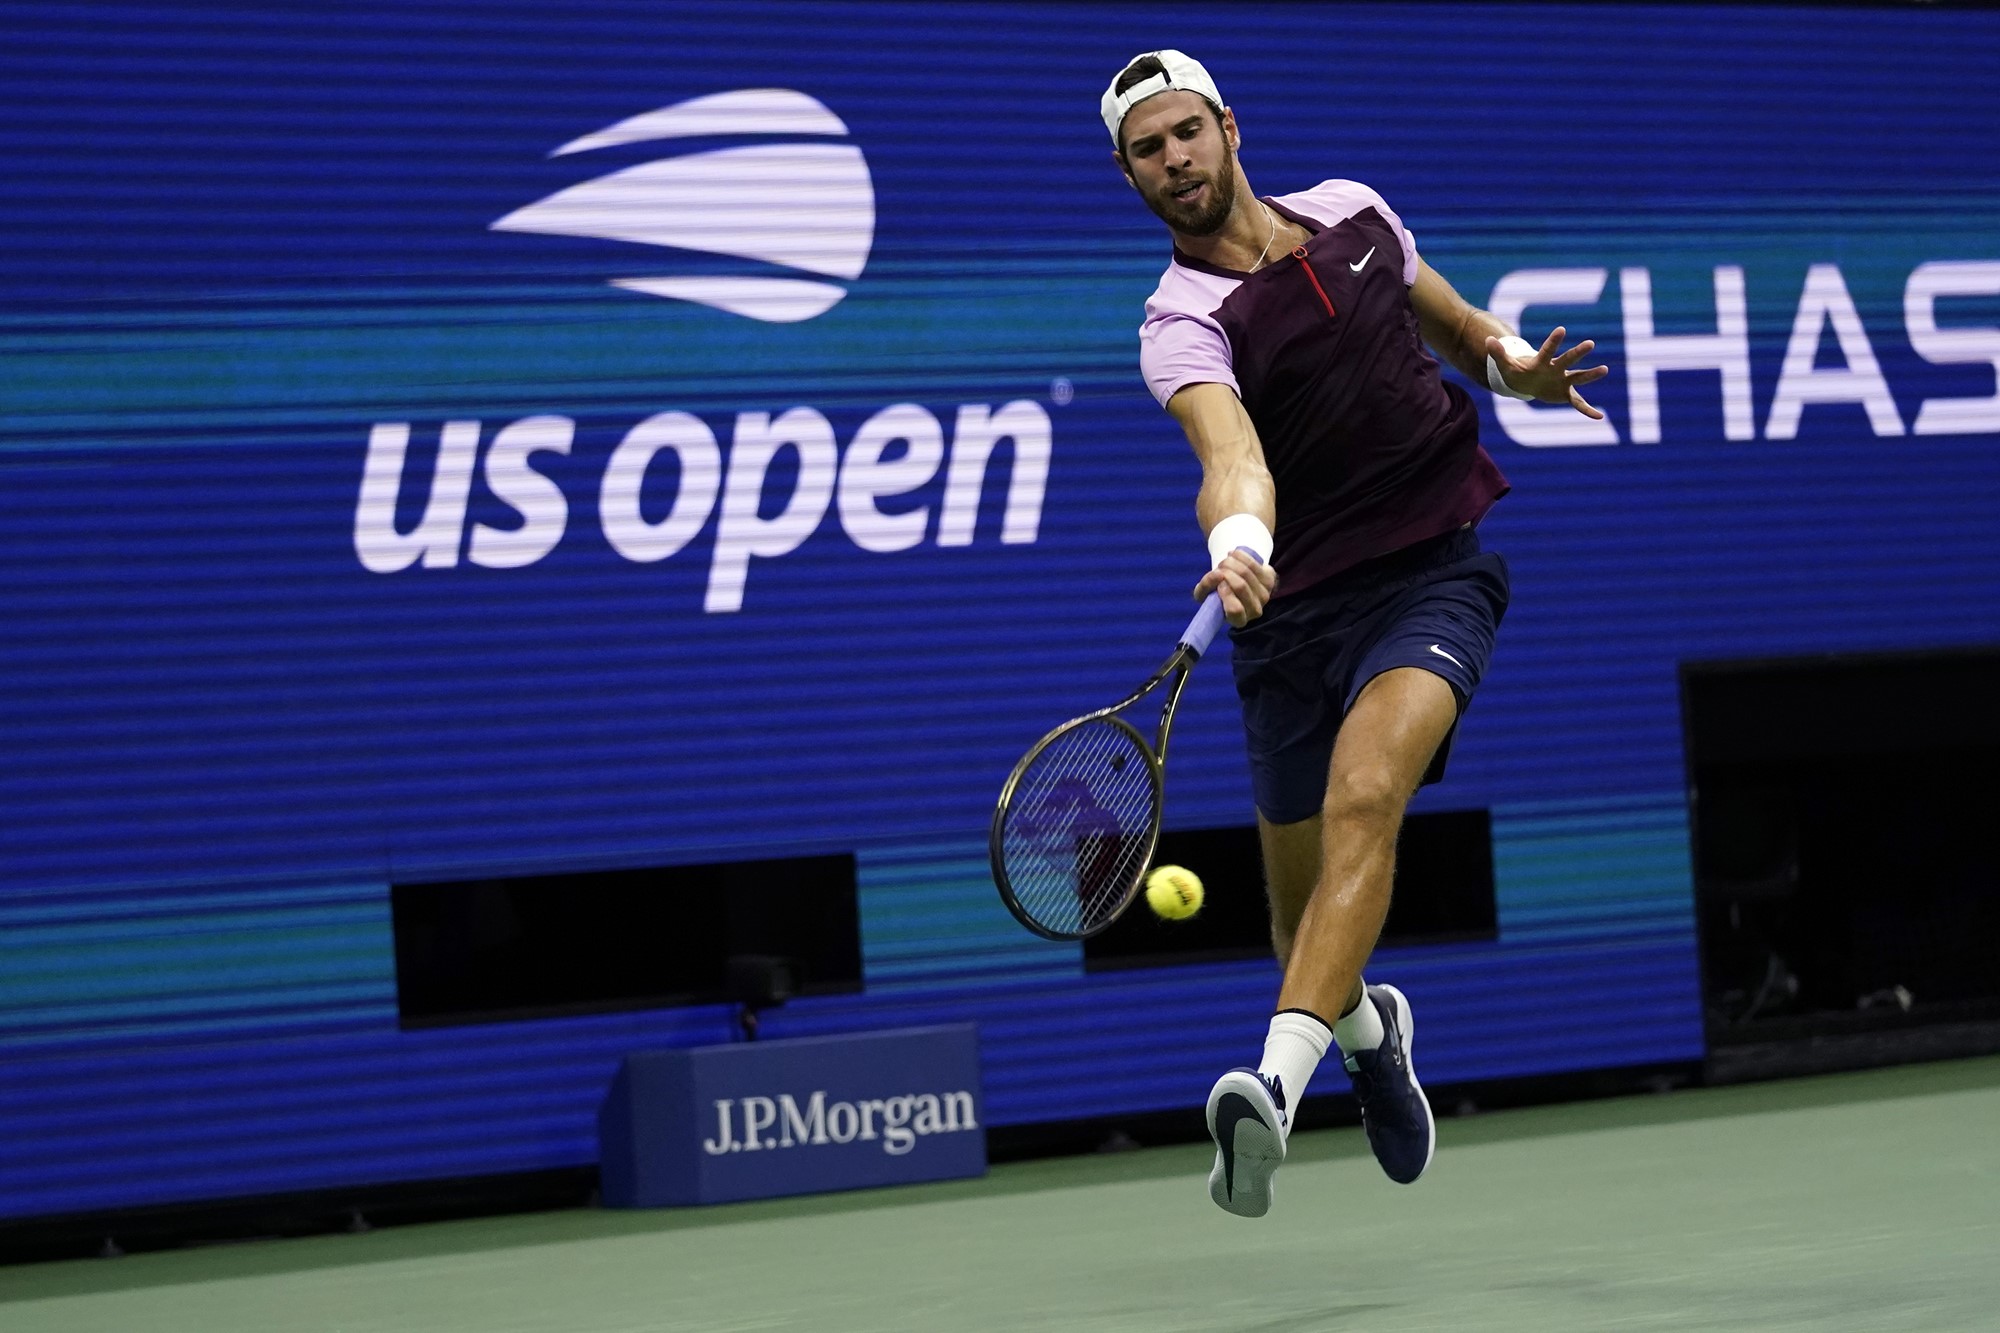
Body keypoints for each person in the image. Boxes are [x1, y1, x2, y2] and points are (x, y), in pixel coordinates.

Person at [1101, 50, 1607, 1218]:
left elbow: (1454, 326)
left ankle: (1266, 1097)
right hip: (1288, 617)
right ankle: (1372, 1034)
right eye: (1146, 150)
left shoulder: (1352, 212)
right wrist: (1240, 539)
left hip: (1432, 573)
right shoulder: (1178, 322)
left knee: (1364, 796)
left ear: (1227, 127)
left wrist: (1510, 366)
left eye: (1185, 132)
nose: (1173, 160)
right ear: (1125, 173)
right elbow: (1231, 456)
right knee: (1300, 922)